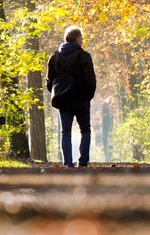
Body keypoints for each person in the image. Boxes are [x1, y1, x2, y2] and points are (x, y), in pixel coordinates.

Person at [46, 26, 96, 167]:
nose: (82, 41)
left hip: (64, 100)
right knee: (85, 130)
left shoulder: (55, 57)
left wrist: (57, 93)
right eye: (81, 38)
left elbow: (50, 80)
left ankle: (68, 163)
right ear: (77, 39)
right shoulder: (84, 56)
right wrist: (88, 96)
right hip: (81, 99)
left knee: (65, 132)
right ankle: (83, 162)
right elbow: (91, 80)